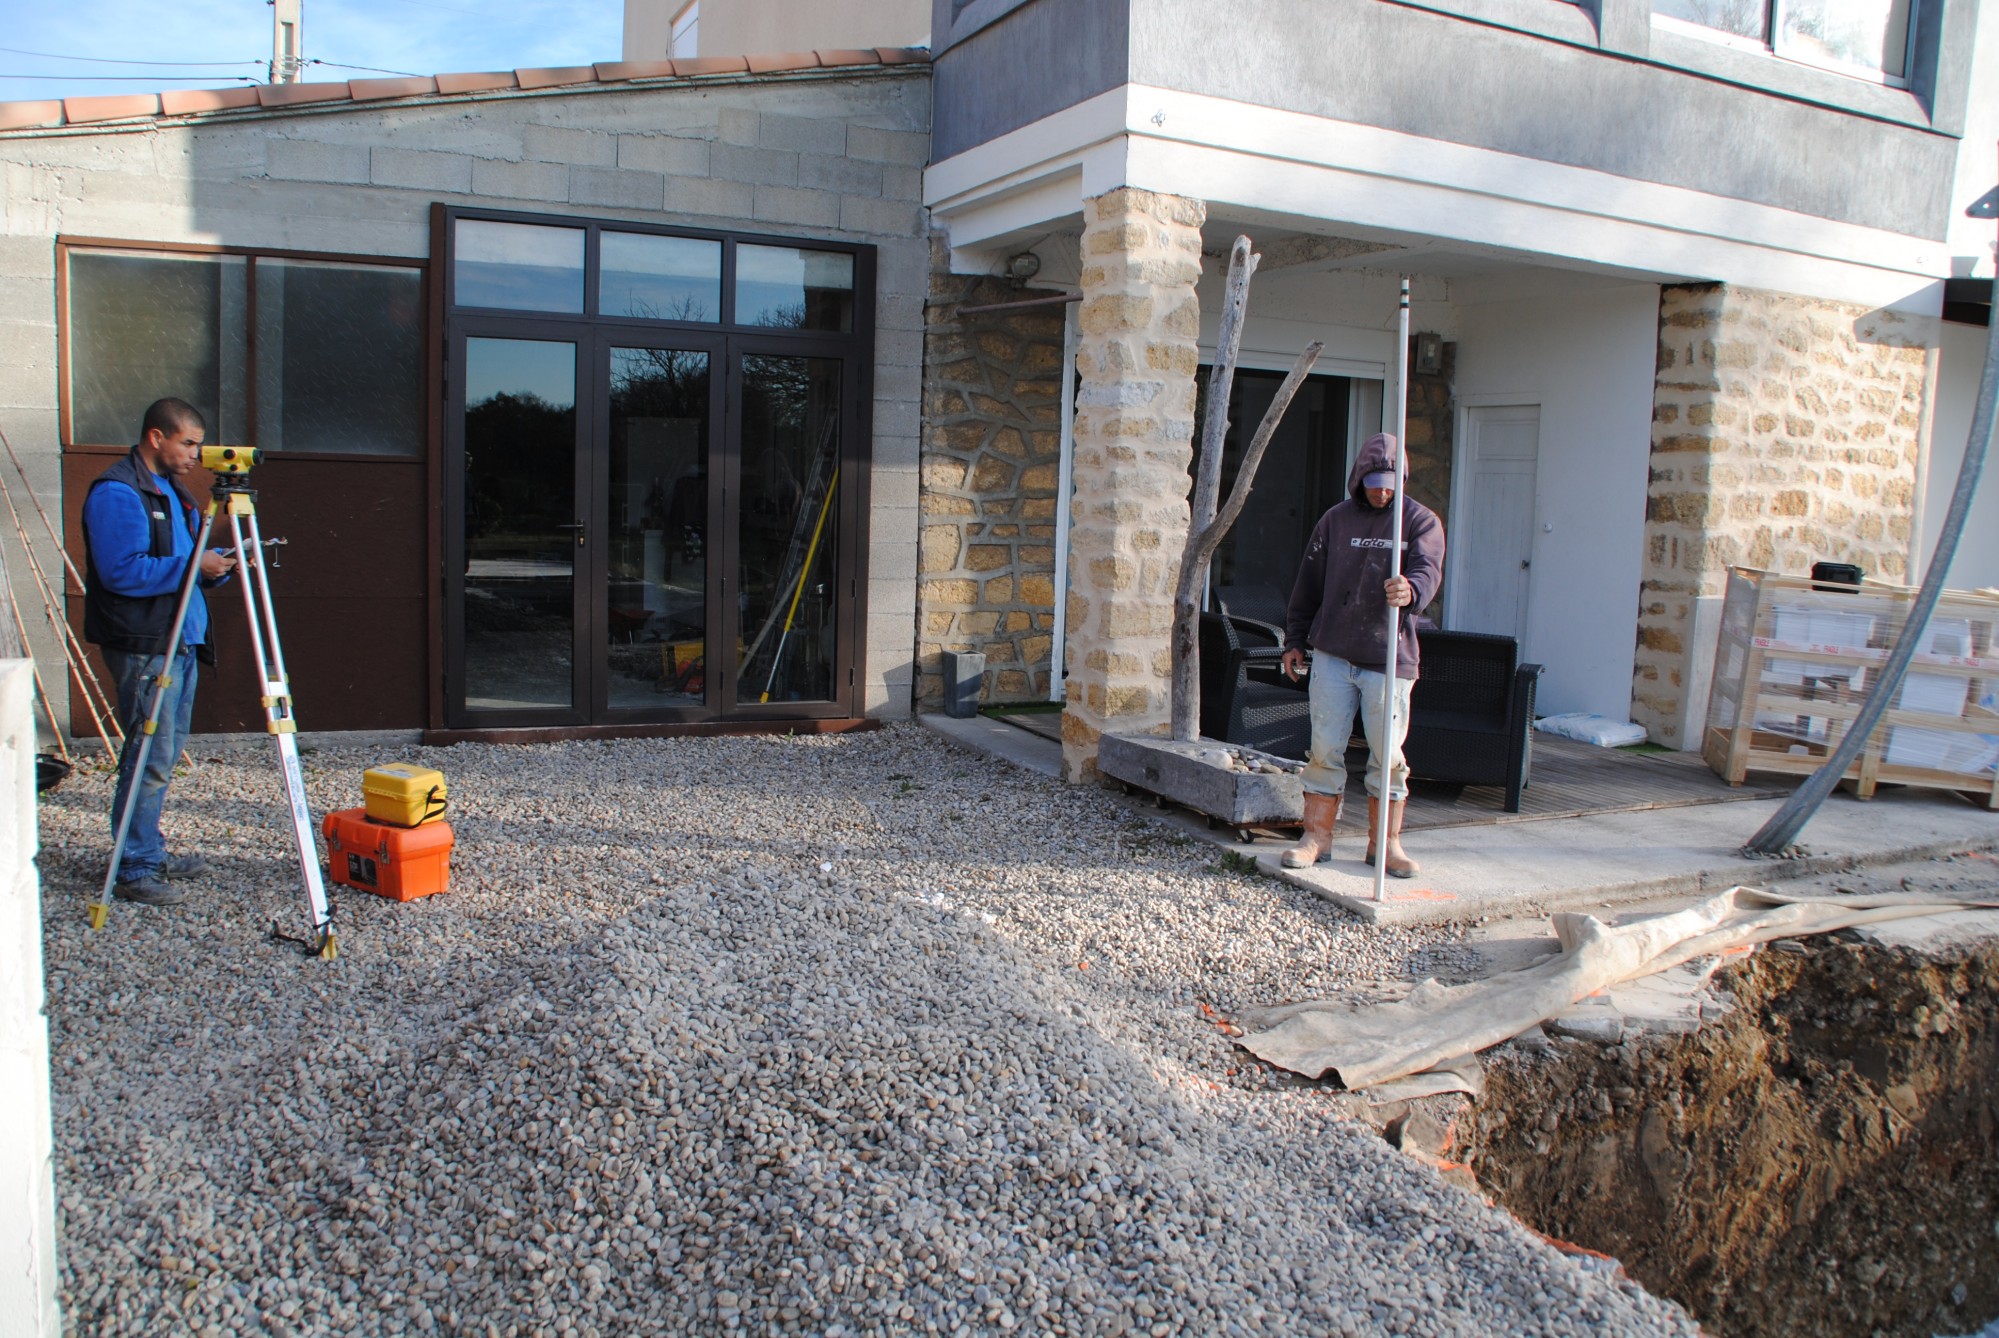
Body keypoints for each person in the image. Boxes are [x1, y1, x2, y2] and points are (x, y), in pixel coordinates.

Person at [82, 397, 237, 907]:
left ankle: (147, 848)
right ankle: (135, 868)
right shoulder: (118, 492)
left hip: (181, 639)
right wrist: (198, 563)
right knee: (148, 755)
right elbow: (122, 571)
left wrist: (221, 567)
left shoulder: (176, 492)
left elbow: (184, 569)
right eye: (188, 442)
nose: (197, 453)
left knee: (163, 756)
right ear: (156, 438)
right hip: (147, 643)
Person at [1278, 432, 1445, 877]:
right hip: (1333, 654)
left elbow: (1428, 571)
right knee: (1324, 749)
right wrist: (1295, 639)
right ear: (1358, 478)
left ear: (1402, 479)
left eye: (1389, 481)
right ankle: (1316, 836)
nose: (1381, 489)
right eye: (1373, 481)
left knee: (1387, 756)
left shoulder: (1420, 522)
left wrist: (1411, 590)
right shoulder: (1335, 522)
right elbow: (1307, 584)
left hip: (1389, 659)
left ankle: (1385, 844)